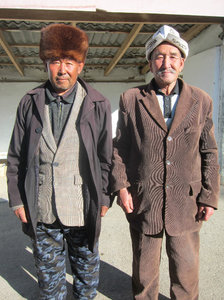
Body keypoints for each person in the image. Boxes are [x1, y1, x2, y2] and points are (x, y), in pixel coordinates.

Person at [111, 25, 220, 300]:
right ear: (150, 63)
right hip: (144, 200)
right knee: (144, 273)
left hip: (187, 202)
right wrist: (121, 187)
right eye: (159, 56)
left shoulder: (201, 100)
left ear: (182, 62)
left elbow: (209, 152)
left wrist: (209, 196)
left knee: (185, 271)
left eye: (173, 56)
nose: (166, 63)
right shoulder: (131, 99)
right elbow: (120, 148)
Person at [7, 24, 112, 300]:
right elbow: (16, 155)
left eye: (69, 62)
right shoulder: (29, 103)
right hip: (42, 209)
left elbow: (105, 157)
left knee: (86, 280)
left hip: (82, 206)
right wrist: (17, 200)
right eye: (55, 61)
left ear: (81, 65)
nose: (62, 69)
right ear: (46, 64)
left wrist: (103, 198)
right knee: (49, 283)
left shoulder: (97, 104)